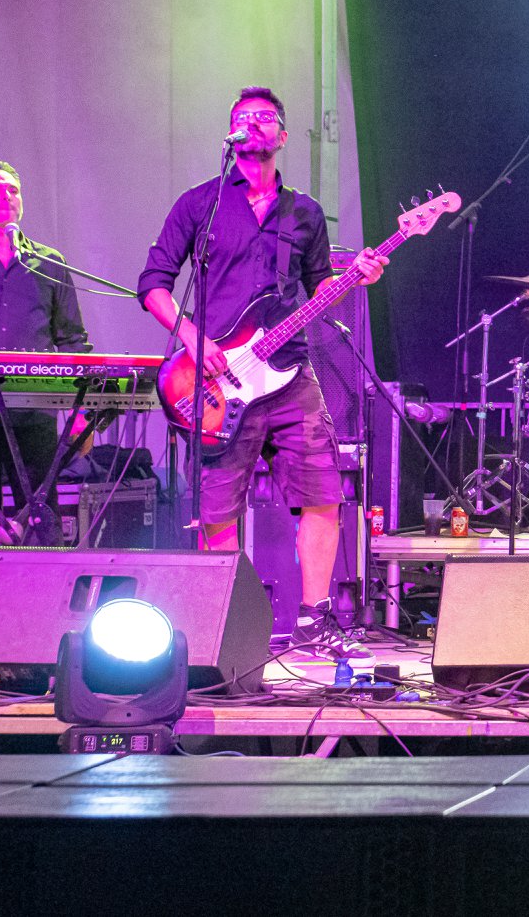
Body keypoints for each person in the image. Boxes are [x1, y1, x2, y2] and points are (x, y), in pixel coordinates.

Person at [138, 88, 386, 656]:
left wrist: (357, 276)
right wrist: (193, 338)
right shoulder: (199, 205)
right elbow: (153, 284)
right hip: (216, 378)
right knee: (217, 507)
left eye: (265, 117)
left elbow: (321, 286)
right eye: (242, 118)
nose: (253, 124)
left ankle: (314, 621)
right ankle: (229, 624)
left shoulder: (304, 212)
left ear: (283, 135)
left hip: (289, 371)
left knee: (323, 491)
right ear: (230, 133)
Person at [0, 161, 90, 590]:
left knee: (43, 523)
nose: (8, 197)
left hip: (34, 416)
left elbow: (72, 340)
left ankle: (46, 618)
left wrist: (81, 409)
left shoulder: (49, 263)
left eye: (14, 190)